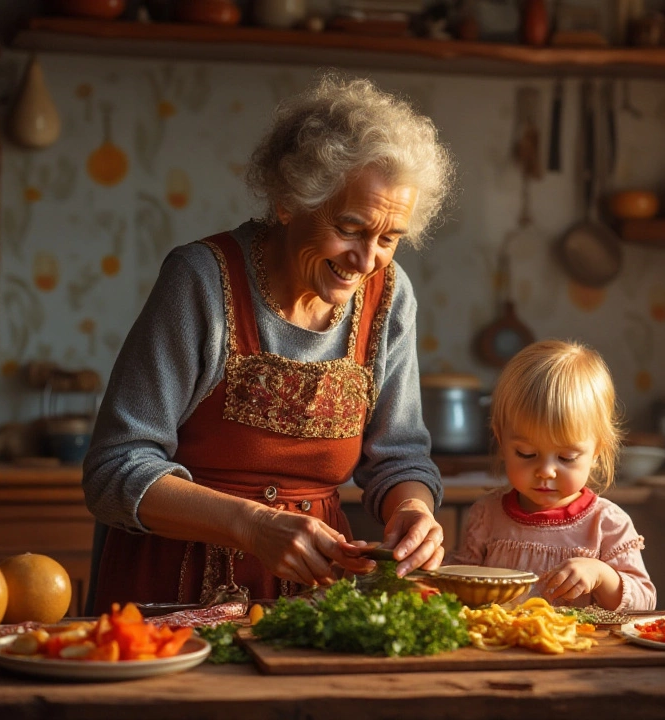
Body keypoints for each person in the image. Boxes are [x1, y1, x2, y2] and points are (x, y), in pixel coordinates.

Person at [82, 75, 456, 612]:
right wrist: (253, 525)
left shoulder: (391, 298)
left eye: (389, 238)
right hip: (171, 598)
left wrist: (414, 510)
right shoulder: (202, 281)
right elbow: (113, 471)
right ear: (288, 201)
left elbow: (399, 458)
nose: (367, 259)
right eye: (350, 228)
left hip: (314, 600)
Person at [451, 340, 656, 612]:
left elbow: (644, 603)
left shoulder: (607, 524)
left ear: (597, 451)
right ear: (501, 441)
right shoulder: (486, 516)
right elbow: (458, 587)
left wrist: (600, 575)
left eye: (566, 458)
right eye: (525, 453)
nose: (546, 471)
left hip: (579, 651)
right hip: (500, 650)